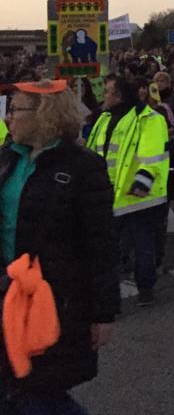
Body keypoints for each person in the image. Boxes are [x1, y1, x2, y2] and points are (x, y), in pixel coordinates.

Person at [0, 80, 119, 414]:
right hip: (7, 291)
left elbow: (101, 242)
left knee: (37, 389)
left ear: (44, 114)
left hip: (57, 298)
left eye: (16, 109)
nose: (9, 117)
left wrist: (103, 313)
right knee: (14, 385)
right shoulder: (8, 158)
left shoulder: (82, 166)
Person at [85, 76, 170, 308]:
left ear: (119, 95)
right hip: (107, 194)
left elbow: (151, 155)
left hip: (137, 196)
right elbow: (93, 152)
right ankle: (108, 295)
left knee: (143, 245)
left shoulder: (149, 119)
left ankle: (145, 289)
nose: (104, 95)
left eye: (108, 92)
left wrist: (142, 182)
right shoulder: (103, 118)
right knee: (106, 249)